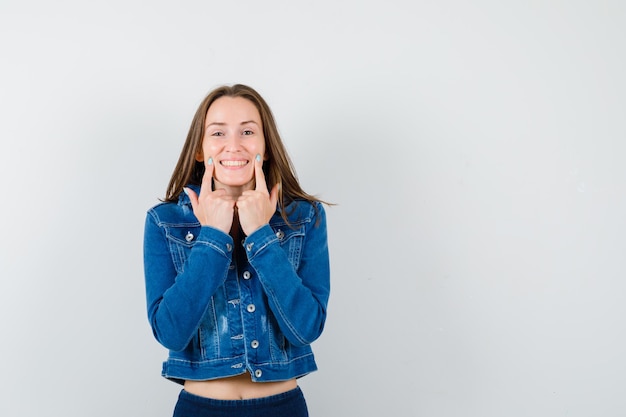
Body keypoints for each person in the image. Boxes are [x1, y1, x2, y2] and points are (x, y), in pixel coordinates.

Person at [143, 84, 331, 417]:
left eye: (247, 131)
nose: (234, 145)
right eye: (218, 133)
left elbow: (306, 328)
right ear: (201, 150)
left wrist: (261, 234)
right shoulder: (164, 222)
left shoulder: (304, 217)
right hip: (200, 408)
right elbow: (171, 332)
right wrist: (212, 237)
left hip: (282, 407)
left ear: (266, 146)